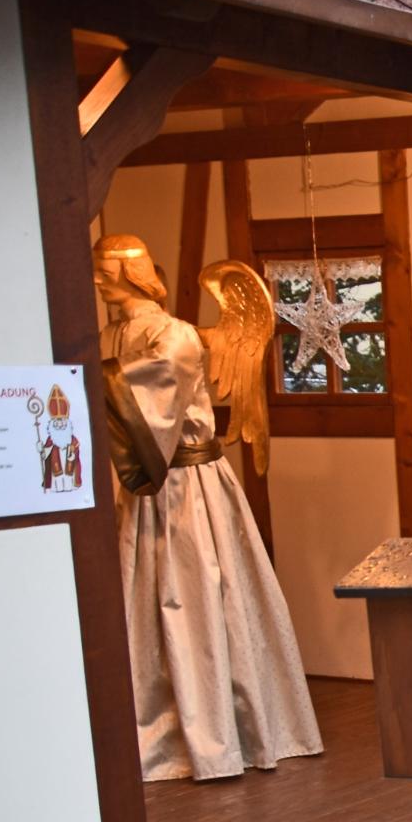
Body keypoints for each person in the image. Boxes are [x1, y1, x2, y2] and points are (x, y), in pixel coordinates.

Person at [95, 234, 323, 781]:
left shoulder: (172, 335)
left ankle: (222, 733)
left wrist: (83, 379)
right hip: (145, 490)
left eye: (106, 271)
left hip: (188, 491)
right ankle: (151, 732)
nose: (99, 281)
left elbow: (152, 396)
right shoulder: (110, 332)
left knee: (199, 598)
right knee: (145, 605)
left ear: (131, 275)